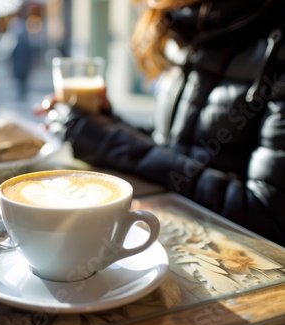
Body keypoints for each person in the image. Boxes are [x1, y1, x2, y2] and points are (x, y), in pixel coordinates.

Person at [36, 0, 285, 246]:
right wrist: (106, 125)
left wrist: (113, 143)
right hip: (171, 239)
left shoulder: (276, 45)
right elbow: (175, 147)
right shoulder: (188, 29)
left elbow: (270, 218)